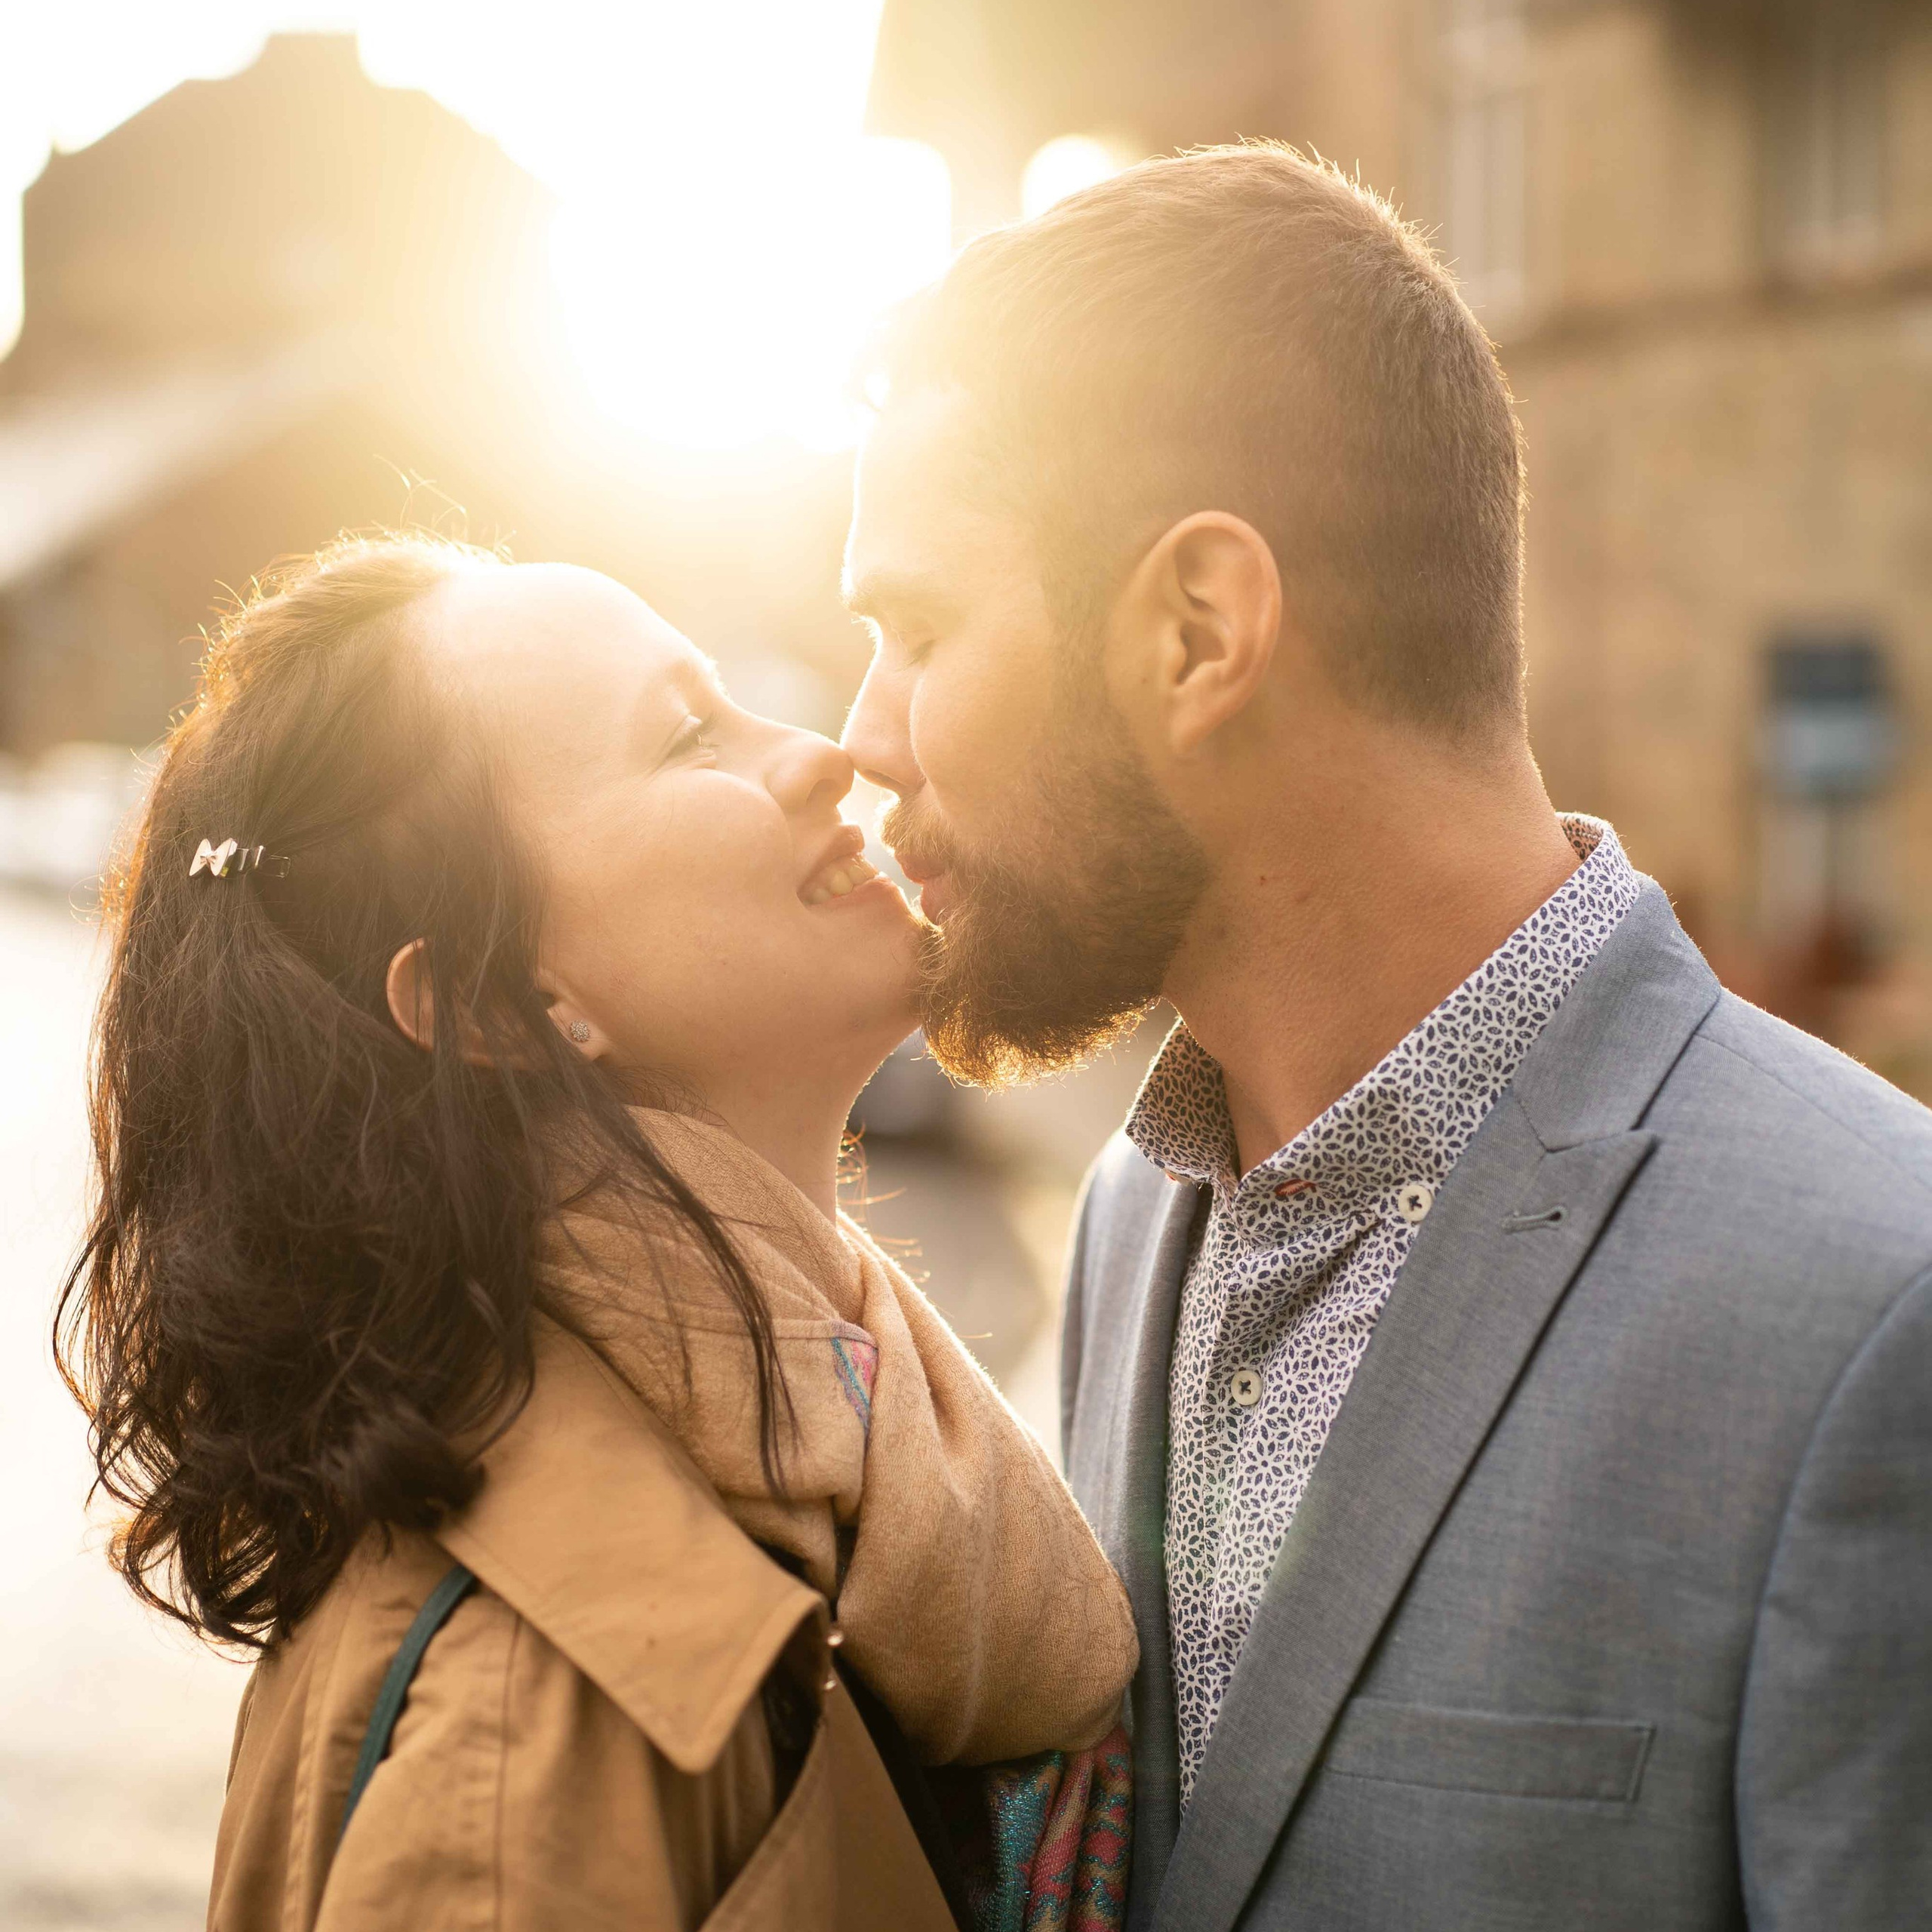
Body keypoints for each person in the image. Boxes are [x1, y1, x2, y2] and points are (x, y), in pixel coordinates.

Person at [841, 143, 1932, 1930]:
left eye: (915, 629)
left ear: (1196, 630)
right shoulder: (1134, 1209)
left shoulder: (1878, 1302)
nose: (864, 735)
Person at [58, 536, 1138, 1931]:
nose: (824, 755)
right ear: (501, 1008)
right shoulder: (529, 1737)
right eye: (689, 738)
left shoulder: (829, 1458)